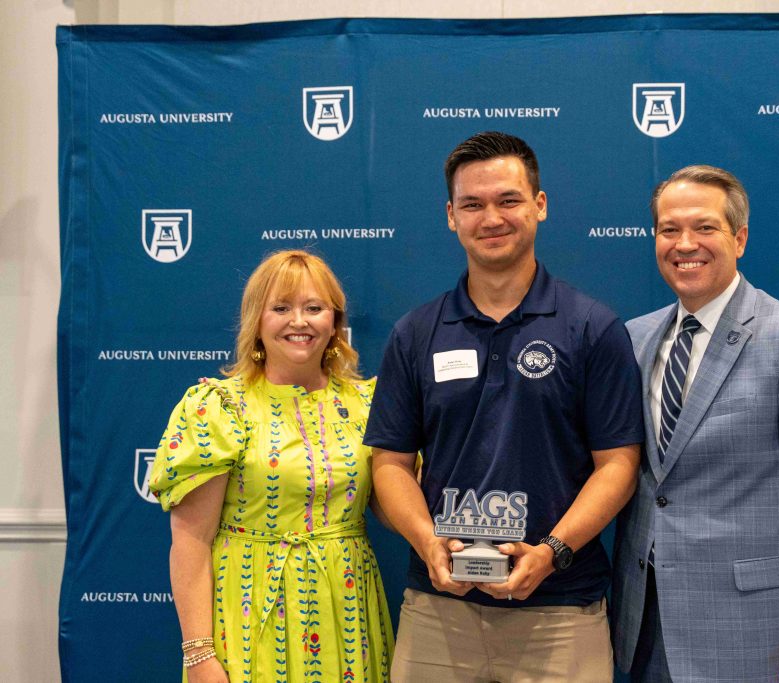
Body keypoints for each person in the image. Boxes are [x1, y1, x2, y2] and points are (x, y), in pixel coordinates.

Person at [365, 131, 644, 682]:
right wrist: (428, 544)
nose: (490, 217)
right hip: (438, 611)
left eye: (508, 200)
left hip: (562, 611)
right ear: (451, 215)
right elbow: (390, 465)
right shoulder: (415, 333)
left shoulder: (592, 327)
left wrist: (552, 551)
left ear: (539, 205)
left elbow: (619, 465)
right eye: (472, 204)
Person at [611, 165, 779, 683]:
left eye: (704, 227)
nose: (685, 243)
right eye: (669, 230)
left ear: (740, 237)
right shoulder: (634, 339)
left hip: (758, 636)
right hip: (645, 630)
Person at [149, 250, 393, 682]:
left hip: (348, 609)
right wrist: (199, 655)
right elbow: (191, 540)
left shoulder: (369, 405)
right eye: (281, 308)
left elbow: (394, 504)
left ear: (334, 323)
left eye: (314, 308)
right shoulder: (219, 406)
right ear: (256, 322)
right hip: (245, 614)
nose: (299, 321)